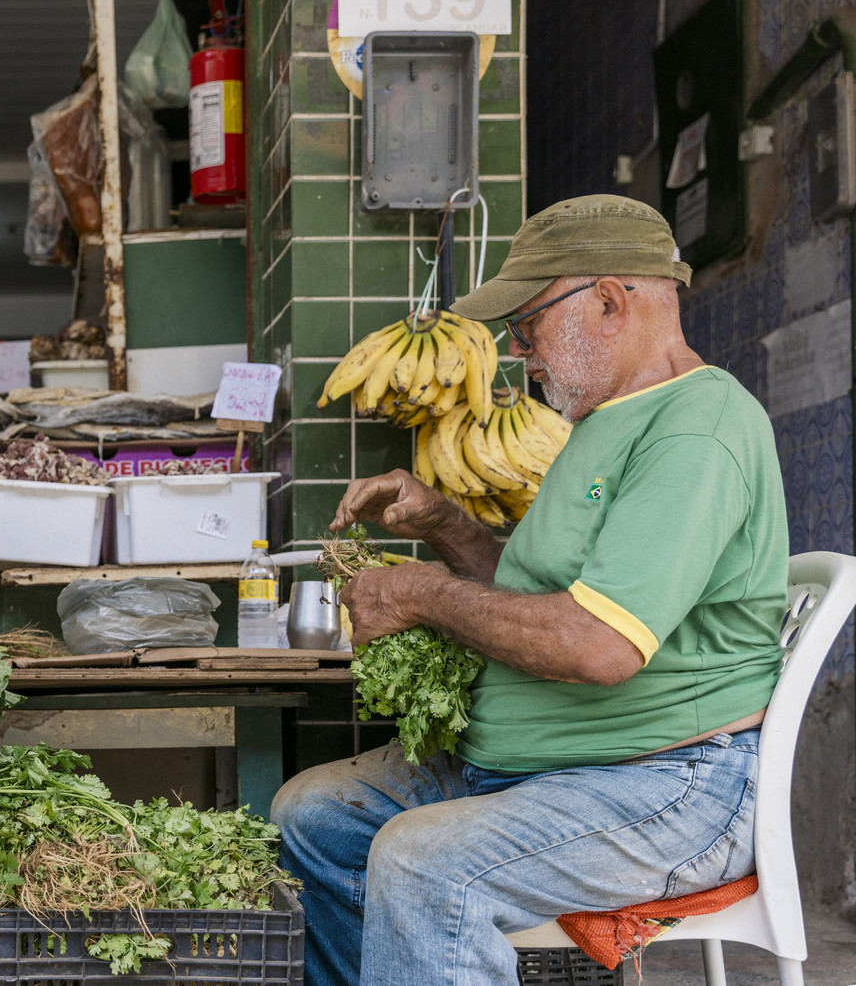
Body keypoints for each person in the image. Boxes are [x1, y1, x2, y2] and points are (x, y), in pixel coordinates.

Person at [272, 195, 786, 986]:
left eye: (529, 324)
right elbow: (545, 588)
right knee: (313, 817)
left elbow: (598, 641)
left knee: (422, 863)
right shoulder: (607, 419)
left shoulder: (697, 430)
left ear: (611, 301)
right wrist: (444, 523)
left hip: (666, 784)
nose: (519, 351)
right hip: (555, 768)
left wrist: (422, 595)